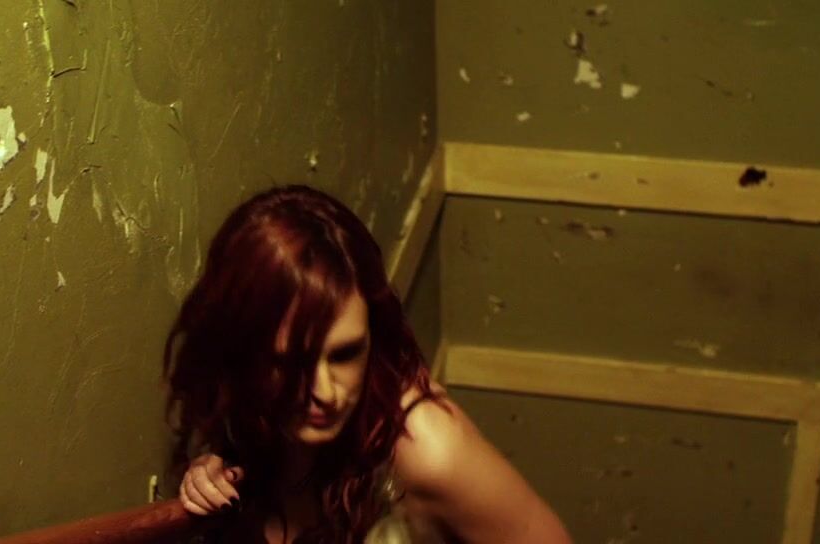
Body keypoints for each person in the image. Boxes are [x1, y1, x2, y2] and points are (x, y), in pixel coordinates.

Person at [162, 185, 570, 544]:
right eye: (293, 363)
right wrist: (213, 474)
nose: (325, 392)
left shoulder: (426, 447)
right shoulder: (244, 416)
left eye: (345, 353)